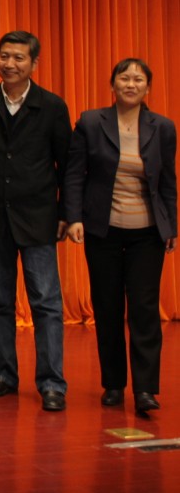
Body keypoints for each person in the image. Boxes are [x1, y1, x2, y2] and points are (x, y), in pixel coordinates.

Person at [0, 30, 72, 411]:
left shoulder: (52, 106)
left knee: (46, 303)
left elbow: (67, 166)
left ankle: (52, 383)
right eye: (4, 56)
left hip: (38, 218)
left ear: (34, 64)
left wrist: (66, 214)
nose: (9, 64)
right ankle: (4, 374)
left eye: (18, 58)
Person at [64, 58, 177, 414]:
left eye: (138, 79)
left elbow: (168, 181)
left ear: (148, 88)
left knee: (144, 309)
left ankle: (145, 389)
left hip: (148, 233)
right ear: (112, 84)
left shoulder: (163, 127)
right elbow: (74, 174)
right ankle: (113, 384)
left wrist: (171, 226)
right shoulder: (91, 122)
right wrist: (73, 217)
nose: (131, 84)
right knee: (107, 306)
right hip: (103, 230)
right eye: (124, 78)